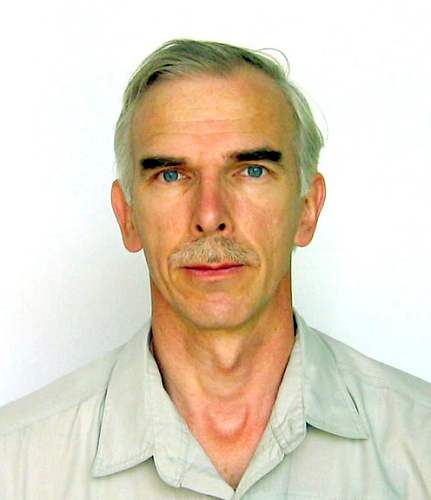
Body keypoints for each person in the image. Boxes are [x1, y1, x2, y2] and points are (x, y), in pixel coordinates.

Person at [0, 39, 430, 500]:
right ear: (128, 217)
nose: (209, 214)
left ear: (307, 208)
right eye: (171, 175)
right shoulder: (15, 465)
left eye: (252, 170)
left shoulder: (420, 444)